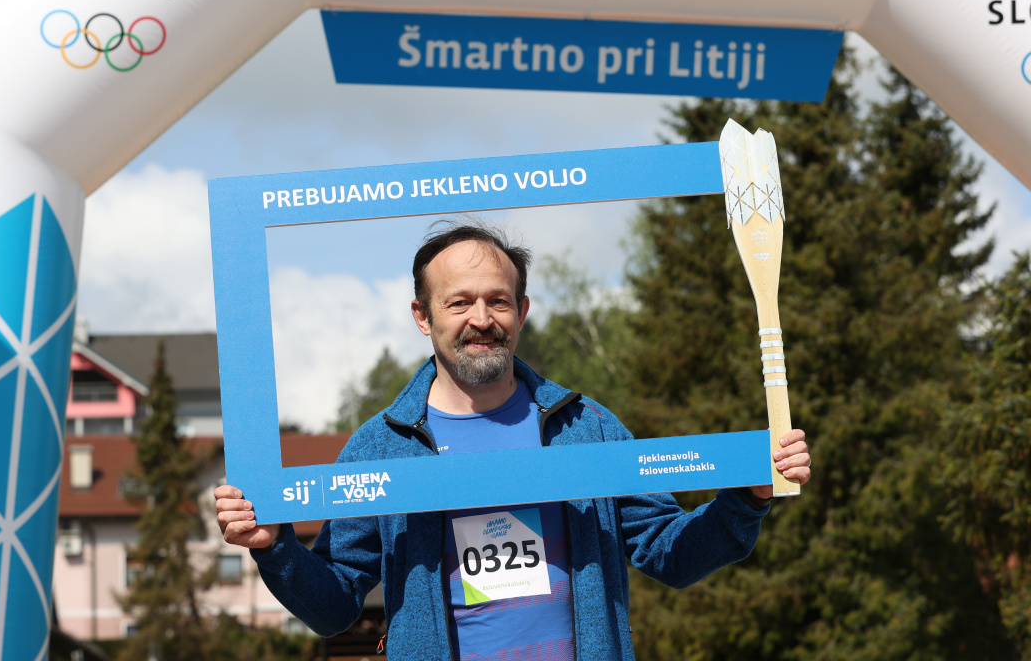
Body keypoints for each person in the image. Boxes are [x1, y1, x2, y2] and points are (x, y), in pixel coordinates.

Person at [216, 222, 811, 660]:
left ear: (521, 310)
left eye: (498, 301)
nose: (482, 319)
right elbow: (334, 606)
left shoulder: (587, 428)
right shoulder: (381, 447)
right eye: (459, 302)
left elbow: (670, 554)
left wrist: (746, 498)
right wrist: (276, 547)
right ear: (422, 316)